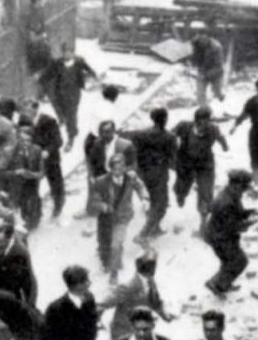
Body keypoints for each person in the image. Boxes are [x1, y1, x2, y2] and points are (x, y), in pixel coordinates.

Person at [91, 153, 146, 281]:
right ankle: (110, 261)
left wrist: (144, 198)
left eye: (121, 168)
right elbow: (93, 201)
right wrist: (103, 206)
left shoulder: (131, 177)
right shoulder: (101, 181)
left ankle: (114, 272)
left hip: (123, 217)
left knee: (116, 244)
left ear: (125, 168)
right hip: (106, 218)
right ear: (110, 169)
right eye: (115, 169)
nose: (118, 172)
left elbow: (140, 186)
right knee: (104, 242)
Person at [204, 168, 258, 295]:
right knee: (240, 261)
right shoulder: (226, 202)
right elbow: (232, 226)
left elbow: (237, 213)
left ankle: (222, 283)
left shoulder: (231, 194)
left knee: (229, 261)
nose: (244, 191)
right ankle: (216, 284)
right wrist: (250, 222)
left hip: (221, 235)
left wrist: (249, 212)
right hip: (220, 238)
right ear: (236, 185)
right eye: (243, 187)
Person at [173, 106, 228, 231]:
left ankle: (203, 222)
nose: (205, 124)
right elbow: (170, 136)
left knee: (206, 192)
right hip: (185, 162)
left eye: (208, 120)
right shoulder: (184, 126)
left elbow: (220, 137)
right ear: (196, 121)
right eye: (202, 121)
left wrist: (225, 146)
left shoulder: (213, 129)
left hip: (205, 164)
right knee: (181, 186)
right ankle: (180, 195)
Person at [127, 106, 177, 239]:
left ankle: (155, 228)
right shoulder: (170, 137)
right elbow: (173, 160)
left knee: (150, 201)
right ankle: (143, 234)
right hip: (159, 175)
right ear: (166, 119)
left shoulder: (140, 135)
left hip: (142, 173)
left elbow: (132, 154)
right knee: (161, 205)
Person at [38, 42, 97, 150]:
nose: (67, 55)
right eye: (65, 52)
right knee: (63, 113)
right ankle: (69, 124)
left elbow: (89, 70)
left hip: (74, 94)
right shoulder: (57, 63)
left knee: (71, 115)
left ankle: (71, 138)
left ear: (73, 53)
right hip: (59, 93)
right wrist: (41, 81)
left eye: (70, 52)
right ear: (62, 53)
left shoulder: (79, 61)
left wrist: (92, 77)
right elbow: (47, 74)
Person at [21, 98, 66, 218]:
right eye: (25, 110)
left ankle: (58, 206)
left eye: (29, 110)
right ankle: (35, 212)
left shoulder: (48, 120)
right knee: (32, 185)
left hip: (50, 159)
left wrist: (47, 151)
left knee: (55, 184)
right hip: (33, 159)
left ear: (36, 109)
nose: (27, 113)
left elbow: (58, 140)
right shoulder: (24, 121)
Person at [2, 125, 46, 230]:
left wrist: (28, 174)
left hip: (32, 187)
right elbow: (2, 174)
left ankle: (32, 216)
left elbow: (41, 173)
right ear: (17, 139)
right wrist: (15, 173)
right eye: (22, 140)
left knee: (33, 222)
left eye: (28, 140)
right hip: (16, 188)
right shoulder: (9, 152)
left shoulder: (37, 150)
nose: (25, 143)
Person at [0, 223, 38, 307]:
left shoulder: (21, 253)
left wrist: (30, 305)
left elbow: (30, 282)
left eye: (0, 242)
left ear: (9, 238)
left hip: (12, 295)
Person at [190, 33, 225, 107]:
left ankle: (222, 102)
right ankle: (204, 110)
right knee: (200, 93)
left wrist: (206, 75)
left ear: (207, 40)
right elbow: (195, 59)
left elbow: (219, 66)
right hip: (203, 70)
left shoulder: (216, 47)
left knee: (217, 93)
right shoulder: (196, 45)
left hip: (215, 71)